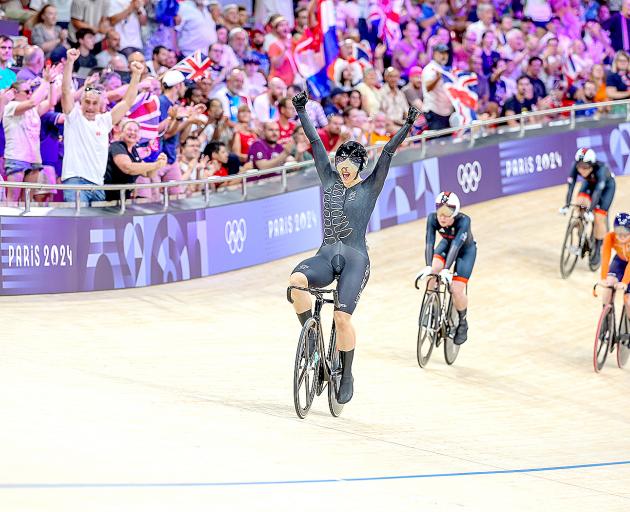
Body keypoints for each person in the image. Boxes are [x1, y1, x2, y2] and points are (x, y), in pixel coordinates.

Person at [289, 90, 420, 404]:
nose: (343, 166)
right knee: (296, 285)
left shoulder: (370, 186)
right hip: (325, 255)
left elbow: (387, 152)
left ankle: (346, 373)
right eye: (340, 162)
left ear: (360, 165)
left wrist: (407, 126)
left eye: (349, 163)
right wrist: (302, 111)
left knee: (342, 318)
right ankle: (313, 345)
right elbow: (316, 144)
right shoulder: (329, 179)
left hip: (355, 260)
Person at [60, 48, 145, 203]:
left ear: (100, 105)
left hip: (98, 185)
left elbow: (127, 102)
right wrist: (70, 62)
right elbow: (65, 91)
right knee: (77, 226)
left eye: (94, 103)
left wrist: (136, 76)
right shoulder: (74, 117)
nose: (90, 106)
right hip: (76, 182)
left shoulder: (104, 121)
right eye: (87, 102)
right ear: (81, 102)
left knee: (94, 227)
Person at [416, 192, 476, 345]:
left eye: (447, 214)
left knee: (456, 289)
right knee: (433, 274)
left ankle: (463, 322)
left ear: (455, 213)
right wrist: (429, 266)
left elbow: (456, 246)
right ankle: (432, 310)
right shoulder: (432, 219)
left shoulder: (464, 221)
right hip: (446, 245)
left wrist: (446, 269)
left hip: (465, 252)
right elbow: (429, 243)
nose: (442, 217)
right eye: (440, 212)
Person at [560, 148, 616, 268]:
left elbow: (597, 193)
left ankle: (597, 248)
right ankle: (581, 228)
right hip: (589, 183)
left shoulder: (601, 170)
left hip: (605, 188)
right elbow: (571, 187)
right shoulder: (575, 167)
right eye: (579, 166)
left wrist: (590, 211)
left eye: (585, 167)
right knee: (579, 202)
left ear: (592, 164)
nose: (581, 170)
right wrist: (566, 205)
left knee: (598, 217)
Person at [105, 120, 167, 201]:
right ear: (121, 132)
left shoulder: (134, 151)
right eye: (129, 129)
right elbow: (128, 168)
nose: (133, 132)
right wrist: (155, 165)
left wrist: (159, 163)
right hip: (109, 198)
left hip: (123, 198)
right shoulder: (117, 146)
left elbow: (148, 174)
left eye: (136, 131)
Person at [599, 212, 630, 318]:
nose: (621, 236)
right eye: (618, 232)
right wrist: (603, 278)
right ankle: (606, 320)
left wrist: (625, 282)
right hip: (620, 262)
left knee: (628, 302)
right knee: (608, 286)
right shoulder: (609, 237)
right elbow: (605, 257)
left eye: (625, 233)